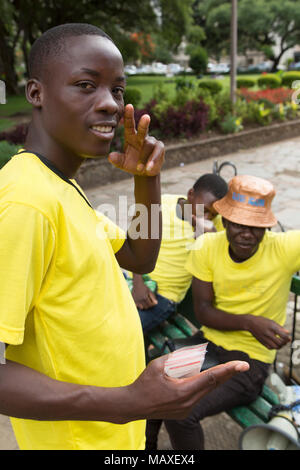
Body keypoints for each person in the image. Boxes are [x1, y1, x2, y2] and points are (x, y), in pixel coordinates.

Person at [0, 23, 249, 451]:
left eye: (117, 90)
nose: (111, 105)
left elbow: (138, 256)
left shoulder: (60, 185)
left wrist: (145, 181)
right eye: (85, 85)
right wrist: (126, 402)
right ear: (36, 93)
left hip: (115, 432)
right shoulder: (26, 202)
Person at [162, 174, 300, 450]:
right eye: (238, 223)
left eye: (256, 226)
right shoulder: (207, 247)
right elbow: (202, 311)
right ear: (223, 221)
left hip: (250, 360)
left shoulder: (283, 249)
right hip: (208, 343)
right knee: (156, 389)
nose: (246, 233)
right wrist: (250, 322)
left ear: (267, 226)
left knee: (181, 414)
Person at [131, 174, 228, 333]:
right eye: (203, 210)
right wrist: (137, 284)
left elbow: (221, 262)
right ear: (190, 194)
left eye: (213, 214)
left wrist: (208, 240)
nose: (207, 217)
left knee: (124, 332)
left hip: (162, 298)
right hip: (135, 281)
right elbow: (135, 241)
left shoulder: (215, 226)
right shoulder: (162, 203)